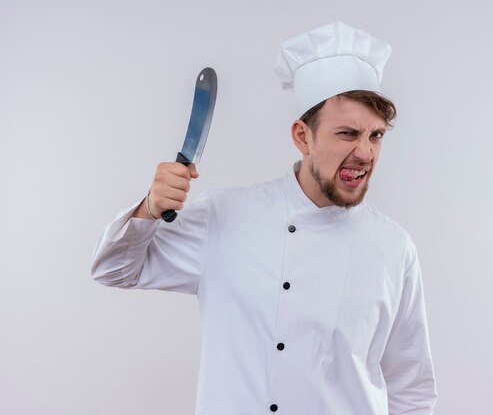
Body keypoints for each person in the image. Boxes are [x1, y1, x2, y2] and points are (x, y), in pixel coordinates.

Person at [91, 21, 437, 415]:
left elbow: (411, 391)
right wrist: (148, 209)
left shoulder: (394, 248)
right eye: (347, 133)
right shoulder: (225, 217)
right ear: (302, 136)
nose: (365, 153)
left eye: (375, 136)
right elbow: (112, 270)